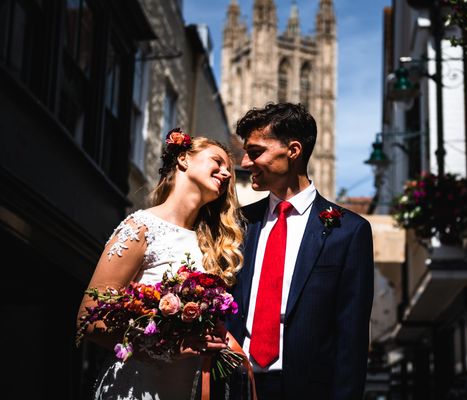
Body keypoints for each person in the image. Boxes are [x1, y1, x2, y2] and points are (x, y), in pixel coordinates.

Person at [76, 128, 244, 399]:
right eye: (217, 162)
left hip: (187, 389)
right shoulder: (141, 227)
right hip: (135, 387)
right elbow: (89, 319)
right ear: (184, 160)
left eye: (229, 171)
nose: (226, 174)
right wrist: (168, 347)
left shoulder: (213, 246)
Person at [228, 102, 374, 400]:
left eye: (256, 152)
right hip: (236, 384)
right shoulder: (237, 224)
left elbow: (352, 338)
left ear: (293, 151)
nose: (244, 162)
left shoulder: (348, 231)